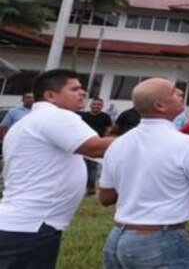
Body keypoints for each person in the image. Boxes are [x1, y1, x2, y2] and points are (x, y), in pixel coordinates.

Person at [99, 78, 189, 268]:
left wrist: (137, 182)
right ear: (159, 105)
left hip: (118, 238)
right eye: (173, 92)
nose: (180, 93)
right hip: (160, 241)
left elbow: (106, 197)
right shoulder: (185, 145)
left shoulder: (117, 144)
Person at [0, 69, 113, 268]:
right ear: (50, 96)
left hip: (20, 225)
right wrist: (151, 137)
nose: (83, 93)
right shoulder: (55, 117)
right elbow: (95, 148)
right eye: (75, 89)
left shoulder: (27, 123)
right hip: (32, 227)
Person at [80, 97, 113, 195]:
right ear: (90, 105)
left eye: (99, 104)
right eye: (94, 104)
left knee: (93, 167)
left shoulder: (105, 116)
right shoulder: (83, 115)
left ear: (102, 106)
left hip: (97, 144)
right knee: (81, 167)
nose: (96, 106)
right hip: (83, 143)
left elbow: (109, 128)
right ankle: (81, 187)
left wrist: (103, 139)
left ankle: (91, 189)